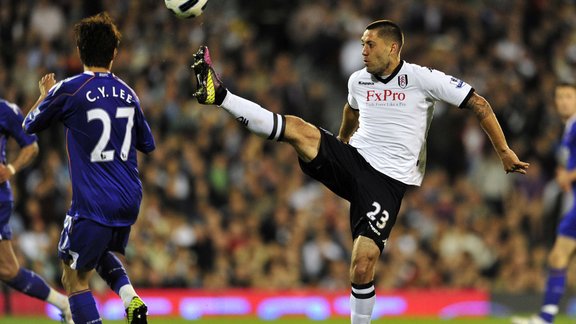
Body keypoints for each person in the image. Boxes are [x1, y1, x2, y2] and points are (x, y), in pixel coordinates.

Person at [191, 20, 529, 323]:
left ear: (393, 48)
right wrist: (338, 143)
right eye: (362, 44)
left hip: (387, 181)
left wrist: (503, 152)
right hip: (354, 159)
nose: (363, 51)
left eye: (370, 44)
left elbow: (479, 103)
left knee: (363, 264)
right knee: (297, 129)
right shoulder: (358, 80)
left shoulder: (423, 78)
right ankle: (219, 95)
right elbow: (350, 111)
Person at [22, 12, 155, 324]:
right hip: (129, 198)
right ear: (114, 54)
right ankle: (130, 298)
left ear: (79, 51)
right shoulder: (129, 93)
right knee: (94, 253)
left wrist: (43, 97)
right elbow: (147, 144)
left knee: (72, 275)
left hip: (94, 201)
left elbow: (28, 125)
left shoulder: (70, 89)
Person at [0, 98, 72, 323]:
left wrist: (11, 168)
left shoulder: (5, 110)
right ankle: (63, 304)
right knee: (9, 270)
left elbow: (31, 145)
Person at [511, 83, 576, 324]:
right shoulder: (568, 129)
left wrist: (569, 176)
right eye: (559, 97)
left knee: (559, 255)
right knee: (558, 257)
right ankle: (546, 317)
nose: (563, 101)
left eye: (569, 96)